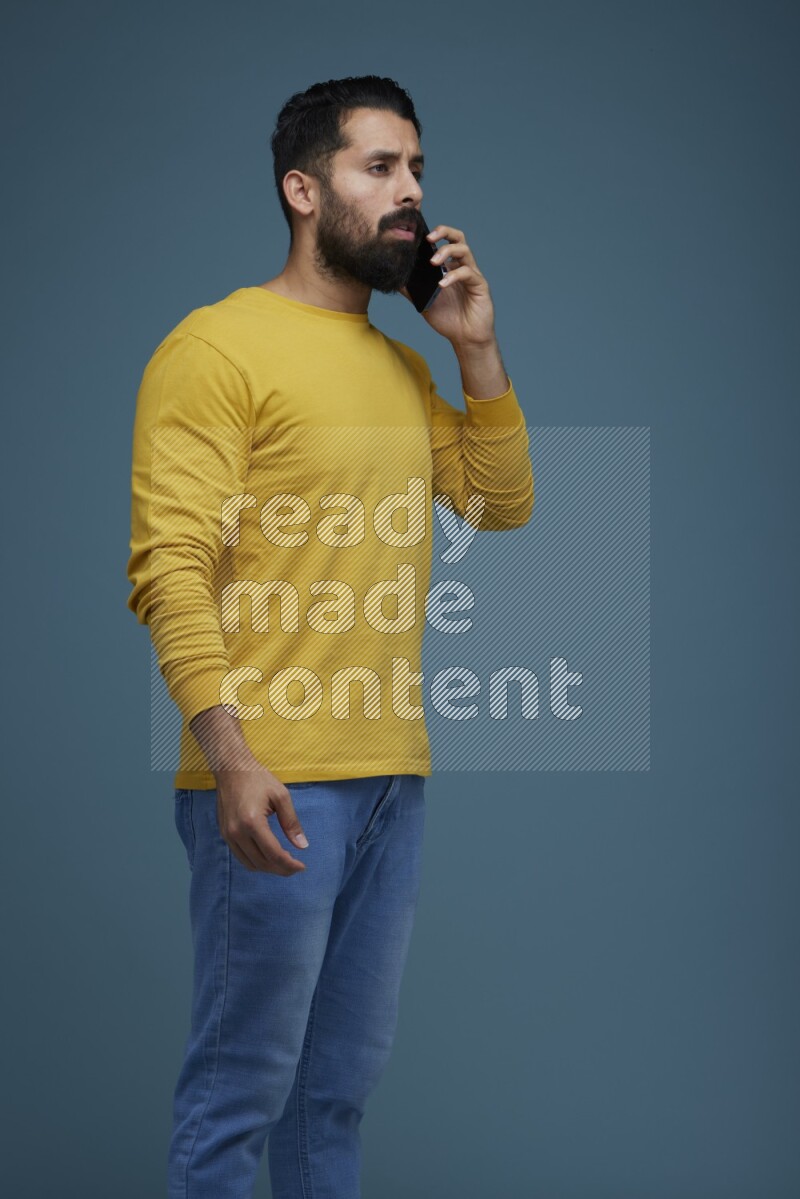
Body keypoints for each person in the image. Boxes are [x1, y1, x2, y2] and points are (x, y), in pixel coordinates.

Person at [126, 74, 534, 1199]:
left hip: (389, 777)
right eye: (378, 167)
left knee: (332, 1094)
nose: (410, 194)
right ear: (302, 190)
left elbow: (499, 503)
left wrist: (473, 349)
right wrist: (229, 755)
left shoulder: (401, 365)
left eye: (415, 168)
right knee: (239, 1093)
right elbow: (171, 565)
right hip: (271, 778)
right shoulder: (214, 348)